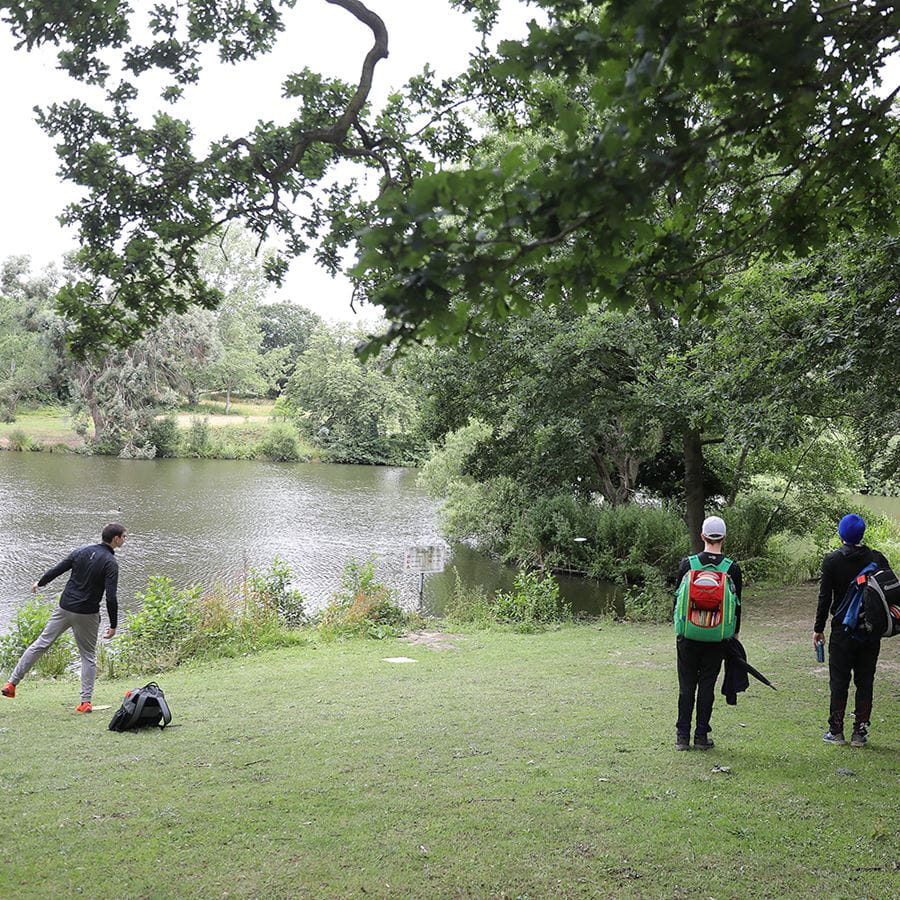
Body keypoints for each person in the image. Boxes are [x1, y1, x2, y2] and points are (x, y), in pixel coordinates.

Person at [2, 523, 126, 713]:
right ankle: (85, 702)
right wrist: (114, 624)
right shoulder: (110, 563)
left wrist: (40, 583)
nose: (125, 539)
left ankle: (11, 683)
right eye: (123, 536)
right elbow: (111, 596)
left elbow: (58, 569)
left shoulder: (81, 551)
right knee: (88, 656)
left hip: (64, 608)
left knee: (40, 644)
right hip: (87, 613)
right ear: (115, 539)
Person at [814, 513, 890, 748]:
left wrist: (818, 629)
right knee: (865, 680)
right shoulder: (877, 559)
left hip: (842, 631)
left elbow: (825, 598)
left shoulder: (832, 561)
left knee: (839, 680)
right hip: (869, 630)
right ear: (862, 534)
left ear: (841, 534)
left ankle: (836, 731)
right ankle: (860, 732)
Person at [674, 515, 742, 751]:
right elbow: (738, 606)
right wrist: (733, 636)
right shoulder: (732, 568)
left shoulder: (688, 564)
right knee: (707, 686)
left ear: (702, 536)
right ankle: (701, 736)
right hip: (717, 637)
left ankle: (682, 737)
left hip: (688, 636)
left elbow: (676, 600)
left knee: (686, 686)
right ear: (724, 538)